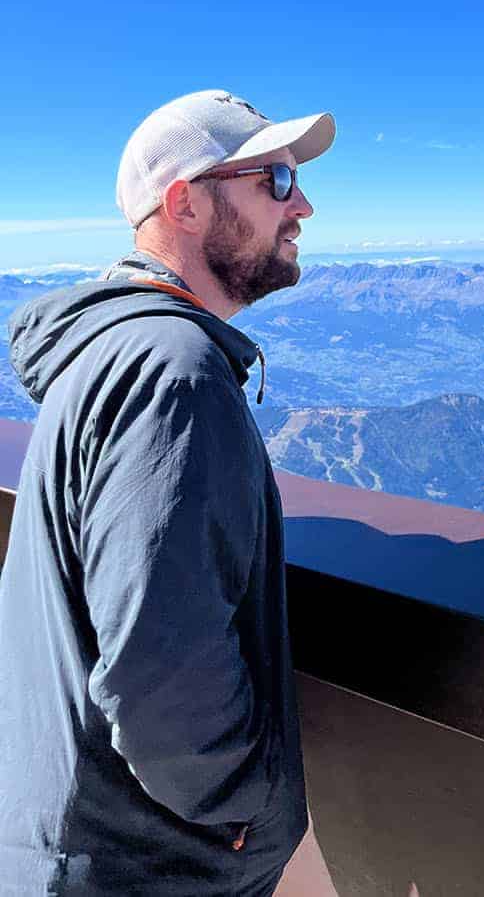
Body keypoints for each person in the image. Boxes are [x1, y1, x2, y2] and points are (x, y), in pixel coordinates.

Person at [0, 89, 340, 896]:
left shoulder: (113, 353)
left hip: (78, 848)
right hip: (138, 871)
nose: (306, 205)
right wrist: (254, 819)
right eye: (278, 180)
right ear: (184, 203)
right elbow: (160, 682)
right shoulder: (171, 373)